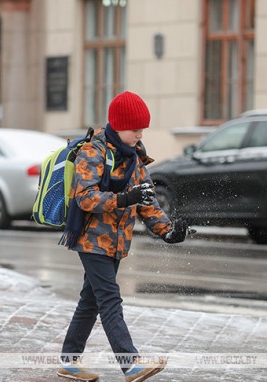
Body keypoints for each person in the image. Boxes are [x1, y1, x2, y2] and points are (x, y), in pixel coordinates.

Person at [57, 91, 189, 382]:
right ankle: (130, 364)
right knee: (109, 299)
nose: (140, 135)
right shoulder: (94, 152)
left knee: (90, 300)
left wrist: (168, 231)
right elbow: (85, 198)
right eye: (135, 129)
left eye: (142, 129)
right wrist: (124, 198)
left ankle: (68, 360)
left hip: (116, 241)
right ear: (117, 125)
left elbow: (147, 201)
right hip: (91, 238)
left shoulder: (135, 157)